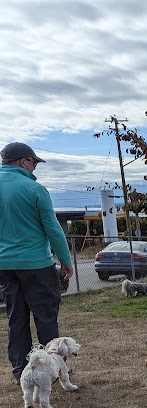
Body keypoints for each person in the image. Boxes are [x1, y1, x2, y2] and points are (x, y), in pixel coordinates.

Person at [0, 142, 74, 385]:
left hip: (5, 265)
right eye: (33, 163)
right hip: (36, 264)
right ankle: (53, 369)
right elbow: (52, 227)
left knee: (16, 317)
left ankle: (21, 370)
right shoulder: (35, 189)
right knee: (45, 317)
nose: (34, 169)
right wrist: (65, 260)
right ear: (23, 161)